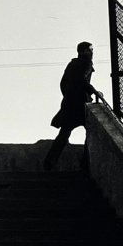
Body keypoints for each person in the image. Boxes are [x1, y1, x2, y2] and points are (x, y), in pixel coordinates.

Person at [44, 42, 99, 171]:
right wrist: (92, 91)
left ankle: (49, 162)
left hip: (69, 104)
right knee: (91, 133)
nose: (92, 51)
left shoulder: (72, 64)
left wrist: (68, 96)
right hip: (80, 105)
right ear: (85, 51)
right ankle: (85, 165)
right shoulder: (87, 63)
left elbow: (63, 83)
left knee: (64, 134)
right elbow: (81, 80)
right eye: (91, 49)